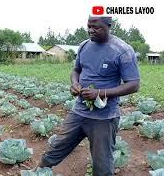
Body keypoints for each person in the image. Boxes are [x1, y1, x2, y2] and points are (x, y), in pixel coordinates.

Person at [37, 16, 140, 176]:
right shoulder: (84, 46)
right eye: (89, 26)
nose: (91, 30)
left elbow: (134, 84)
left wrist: (100, 93)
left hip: (104, 118)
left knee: (102, 164)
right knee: (57, 147)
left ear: (109, 26)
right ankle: (38, 171)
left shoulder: (122, 50)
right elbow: (76, 70)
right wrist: (74, 84)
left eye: (96, 27)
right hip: (79, 111)